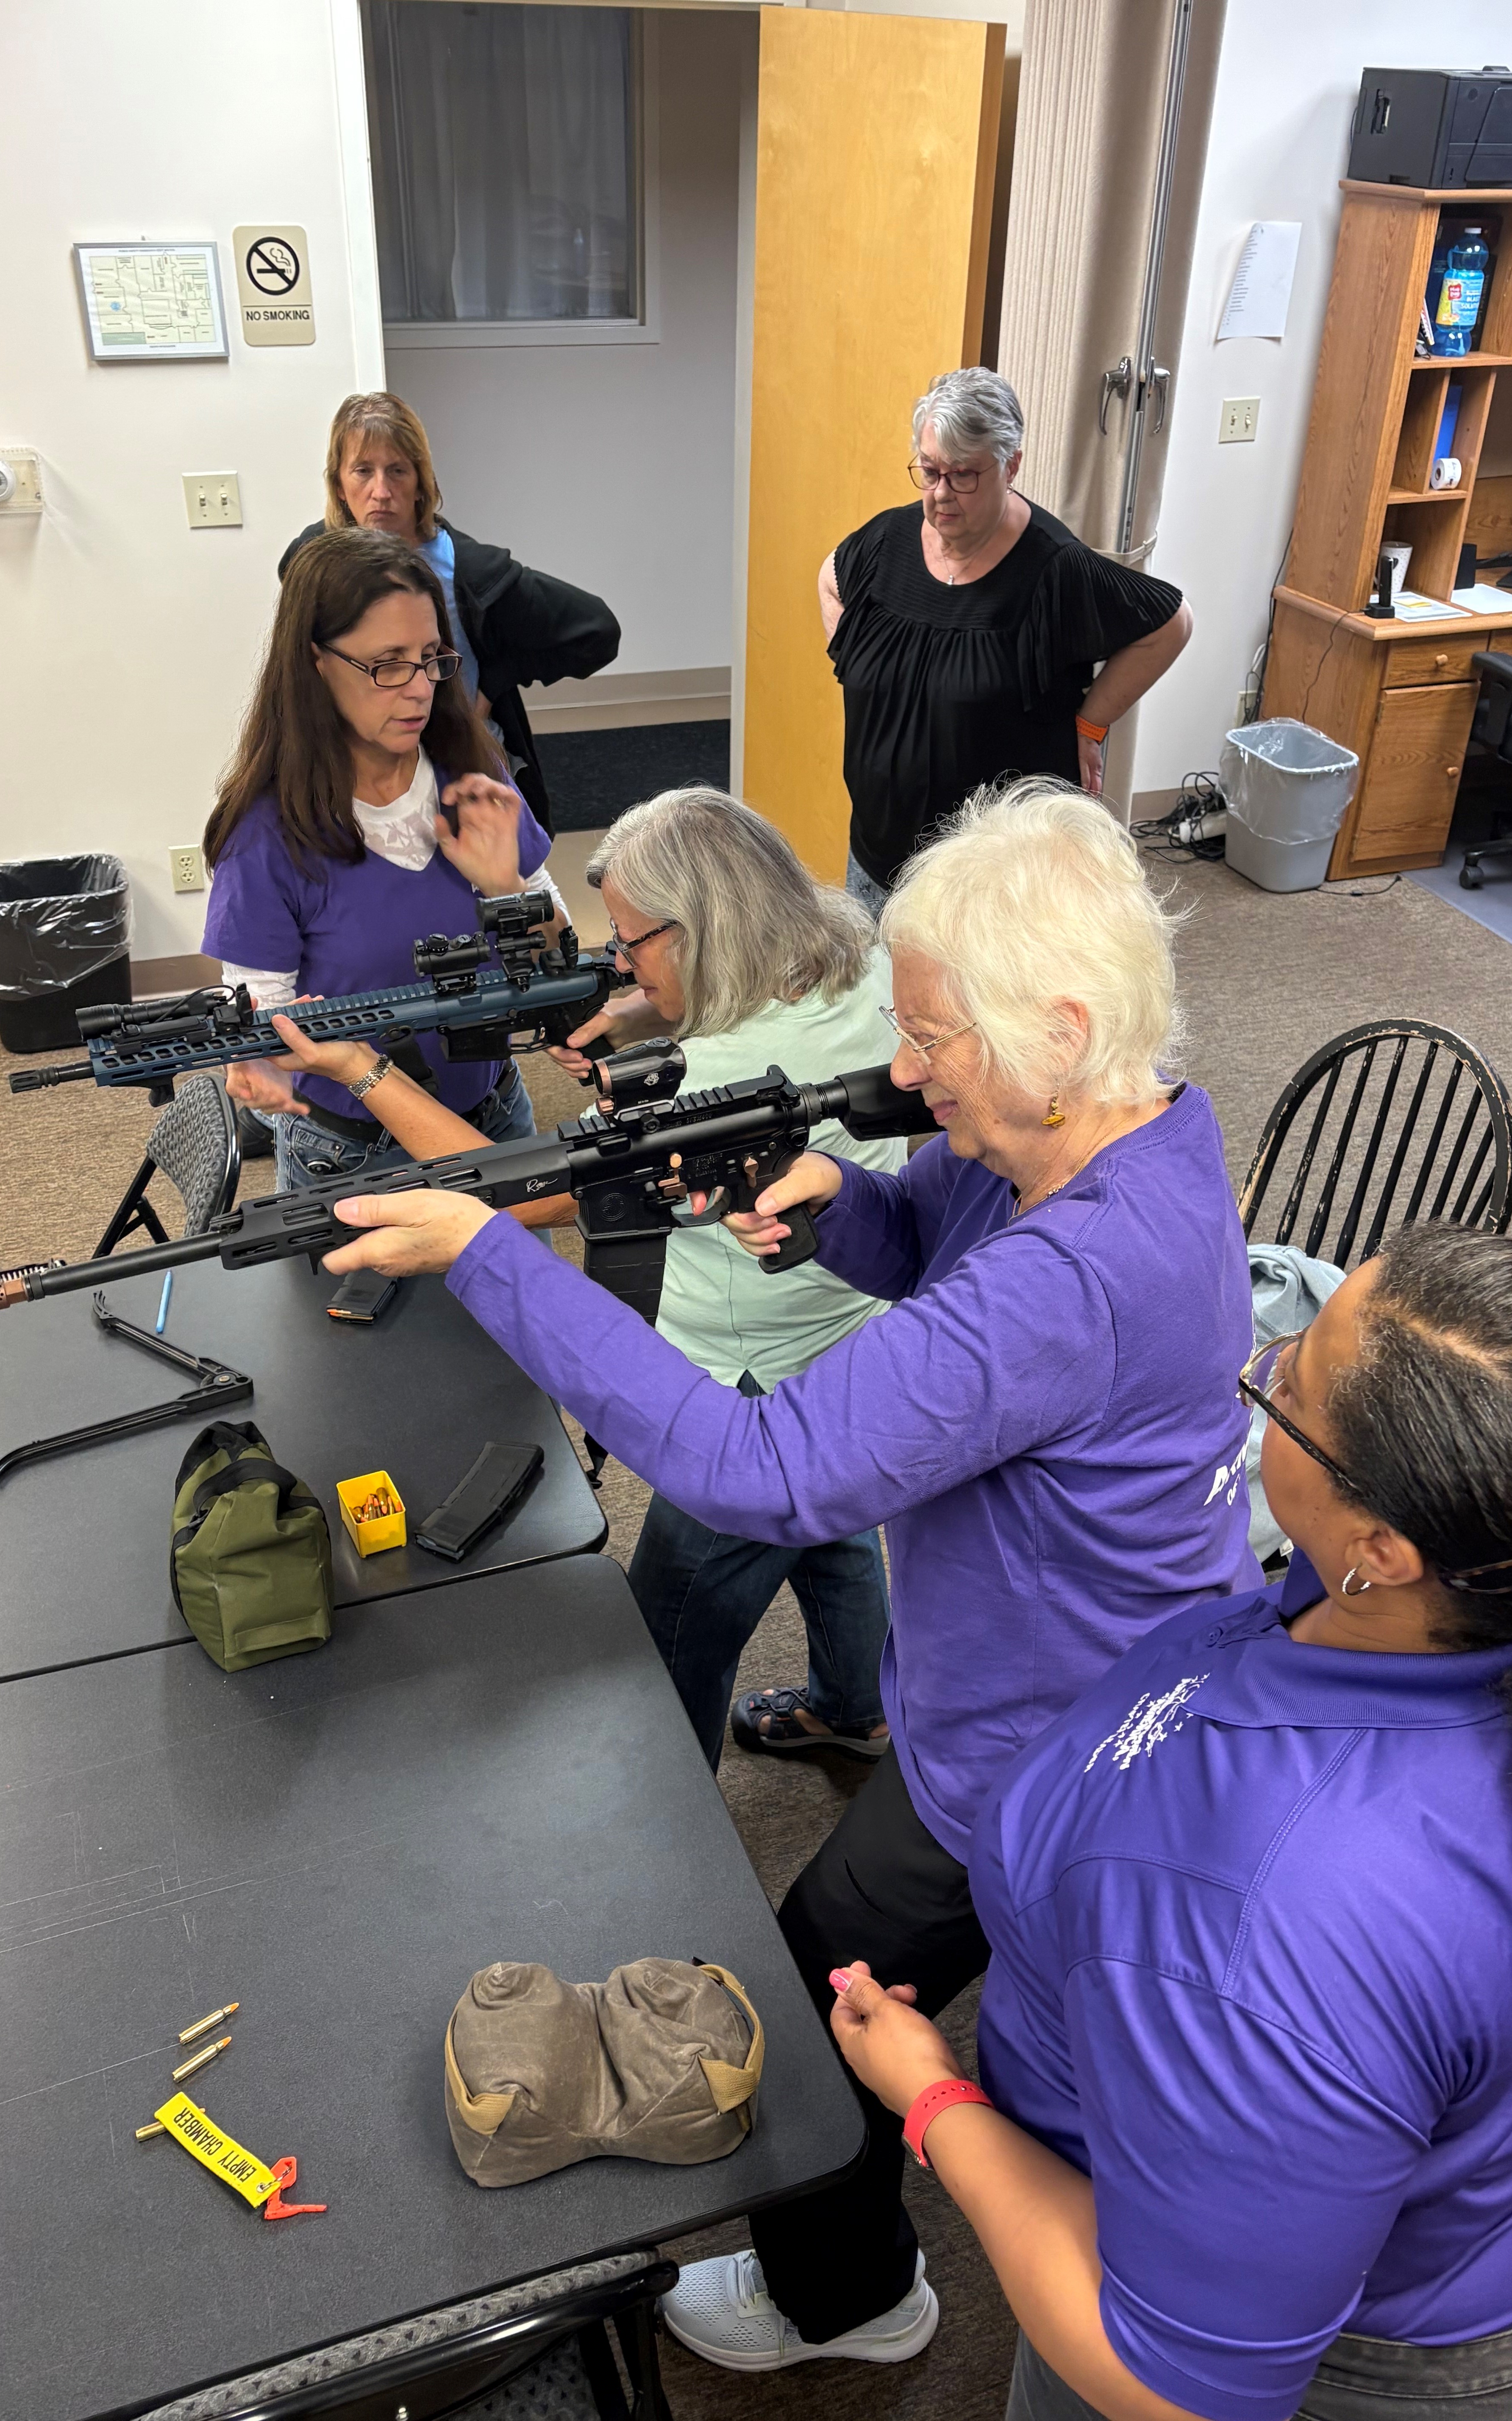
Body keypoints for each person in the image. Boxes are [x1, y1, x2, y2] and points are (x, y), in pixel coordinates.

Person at [310, 775, 1261, 2366]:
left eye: (933, 1038)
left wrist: (486, 1252)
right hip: (1077, 1698)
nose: (900, 1069)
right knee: (900, 1981)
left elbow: (759, 1468)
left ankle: (850, 2299)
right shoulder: (1129, 1132)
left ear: (1062, 1022)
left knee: (821, 1991)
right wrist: (845, 1211)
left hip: (1040, 1757)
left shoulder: (1074, 1275)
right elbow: (933, 1239)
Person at [827, 1223, 1512, 2421]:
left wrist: (932, 2100)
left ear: (1380, 1552)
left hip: (1365, 2354)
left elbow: (1171, 2387)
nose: (1274, 1357)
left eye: (1285, 1387)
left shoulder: (1265, 1929)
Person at [265, 782, 909, 1769]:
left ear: (700, 934)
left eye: (637, 943)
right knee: (831, 1528)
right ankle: (858, 1710)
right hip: (847, 1343)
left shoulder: (710, 1084)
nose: (621, 964)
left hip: (737, 1387)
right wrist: (640, 1018)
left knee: (667, 1641)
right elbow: (713, 1008)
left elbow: (511, 1197)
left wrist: (363, 1073)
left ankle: (677, 1843)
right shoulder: (857, 960)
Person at [203, 526, 554, 1194]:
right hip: (358, 1155)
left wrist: (506, 889)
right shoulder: (266, 836)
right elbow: (267, 1031)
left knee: (522, 1296)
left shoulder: (471, 771)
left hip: (496, 1119)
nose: (420, 688)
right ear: (316, 662)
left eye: (431, 658)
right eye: (388, 664)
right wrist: (262, 1061)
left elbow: (554, 957)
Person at [822, 367, 1193, 915]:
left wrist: (1091, 724)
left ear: (1011, 465)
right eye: (929, 472)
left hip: (992, 891)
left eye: (964, 475)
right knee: (877, 999)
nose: (941, 494)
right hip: (877, 865)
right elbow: (830, 578)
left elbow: (1170, 624)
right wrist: (858, 660)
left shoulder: (1054, 569)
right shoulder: (886, 543)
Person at [281, 390, 620, 832]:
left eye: (398, 471)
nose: (381, 492)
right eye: (363, 471)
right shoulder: (309, 560)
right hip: (357, 775)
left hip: (459, 771)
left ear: (422, 481)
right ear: (339, 484)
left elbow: (597, 630)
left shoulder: (470, 570)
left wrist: (495, 682)